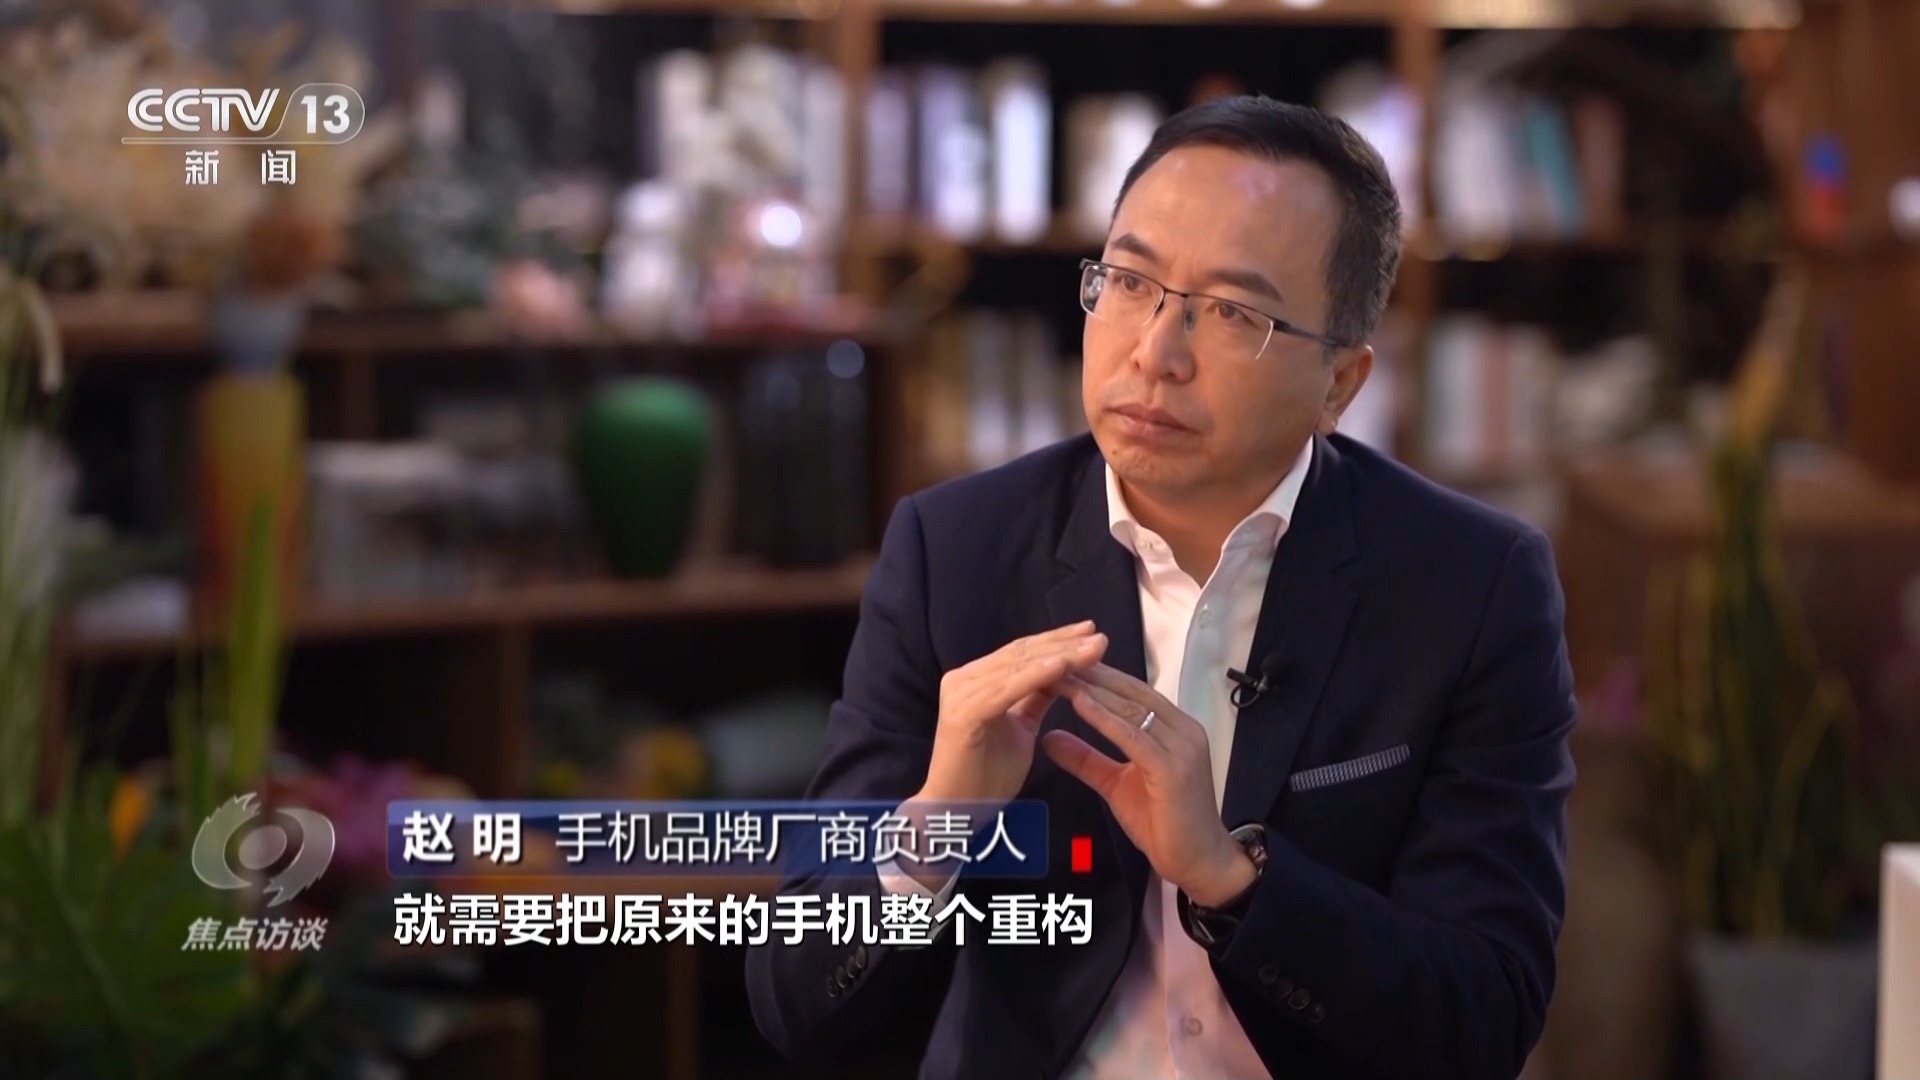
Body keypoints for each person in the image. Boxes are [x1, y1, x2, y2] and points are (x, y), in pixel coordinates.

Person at [745, 94, 1576, 1080]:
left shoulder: (1473, 585)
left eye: (1232, 313)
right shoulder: (955, 550)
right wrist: (936, 827)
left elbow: (1482, 1018)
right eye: (1131, 282)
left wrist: (1231, 882)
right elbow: (796, 1006)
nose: (1154, 353)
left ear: (1340, 384)